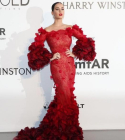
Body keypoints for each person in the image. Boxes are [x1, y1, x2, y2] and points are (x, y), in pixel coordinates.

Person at [13, 2, 96, 140]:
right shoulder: (46, 31)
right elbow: (35, 50)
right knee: (62, 92)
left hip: (69, 65)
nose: (60, 11)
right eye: (57, 9)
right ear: (52, 13)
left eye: (62, 9)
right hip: (57, 66)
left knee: (68, 94)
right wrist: (50, 56)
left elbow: (86, 41)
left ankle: (67, 128)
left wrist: (75, 54)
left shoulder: (70, 28)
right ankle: (61, 130)